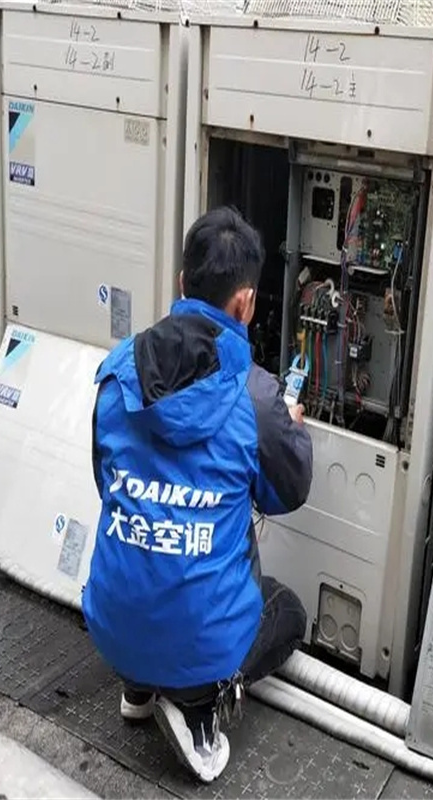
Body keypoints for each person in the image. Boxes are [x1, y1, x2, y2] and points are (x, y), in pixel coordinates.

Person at [82, 207, 312, 784]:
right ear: (246, 303)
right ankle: (201, 707)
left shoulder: (116, 375)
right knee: (285, 610)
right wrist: (293, 428)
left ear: (182, 285)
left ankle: (139, 687)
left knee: (152, 549)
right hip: (196, 644)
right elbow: (289, 491)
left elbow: (105, 482)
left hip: (109, 626)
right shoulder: (259, 400)